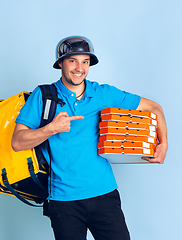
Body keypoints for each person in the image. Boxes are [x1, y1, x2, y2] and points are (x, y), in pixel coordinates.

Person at [11, 36, 168, 240]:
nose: (80, 68)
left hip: (105, 195)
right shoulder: (43, 96)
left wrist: (163, 143)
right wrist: (50, 129)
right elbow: (17, 142)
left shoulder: (103, 93)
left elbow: (154, 108)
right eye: (73, 60)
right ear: (60, 63)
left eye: (85, 61)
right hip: (63, 201)